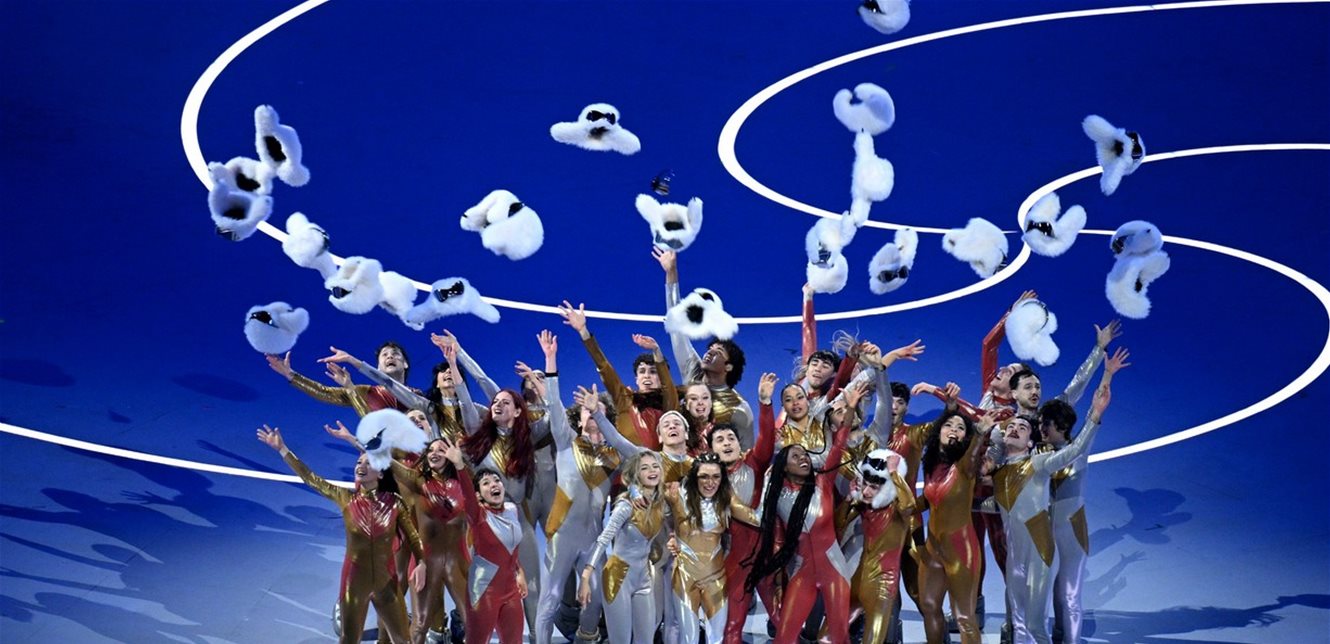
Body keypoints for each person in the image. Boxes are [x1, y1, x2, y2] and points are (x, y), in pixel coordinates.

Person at [987, 349, 1122, 644]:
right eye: (1028, 386)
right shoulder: (1010, 431)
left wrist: (1101, 361)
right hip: (1032, 523)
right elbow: (995, 466)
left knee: (1064, 595)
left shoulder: (1052, 424)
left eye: (1038, 386)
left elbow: (1078, 389)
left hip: (1063, 525)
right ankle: (1017, 633)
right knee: (1020, 587)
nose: (1035, 391)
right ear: (1013, 393)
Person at [257, 425, 425, 644]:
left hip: (387, 583)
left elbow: (413, 537)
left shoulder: (395, 503)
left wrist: (422, 562)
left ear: (381, 472)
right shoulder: (345, 498)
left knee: (403, 641)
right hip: (355, 581)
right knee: (349, 639)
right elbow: (311, 478)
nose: (361, 466)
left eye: (368, 463)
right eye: (358, 462)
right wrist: (283, 450)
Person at [743, 380, 866, 643]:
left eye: (805, 456)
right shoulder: (775, 494)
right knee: (784, 638)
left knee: (840, 638)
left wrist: (851, 408)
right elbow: (763, 525)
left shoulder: (824, 482)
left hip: (835, 574)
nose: (804, 459)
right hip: (802, 575)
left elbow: (838, 445)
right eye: (796, 456)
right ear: (783, 466)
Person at [532, 335, 622, 644]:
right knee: (551, 597)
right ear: (580, 417)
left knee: (594, 601)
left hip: (593, 539)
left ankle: (586, 639)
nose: (592, 414)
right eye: (586, 410)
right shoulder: (566, 440)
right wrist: (550, 360)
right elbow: (554, 404)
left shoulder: (615, 455)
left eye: (598, 411)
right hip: (561, 535)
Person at [1046, 348, 1130, 644]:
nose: (1040, 429)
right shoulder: (1036, 452)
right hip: (1042, 528)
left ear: (1060, 428)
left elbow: (1096, 408)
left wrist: (1107, 374)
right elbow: (1074, 388)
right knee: (1047, 590)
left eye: (1046, 425)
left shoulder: (1078, 447)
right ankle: (1057, 634)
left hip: (1072, 529)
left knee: (1068, 593)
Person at [916, 384, 994, 644]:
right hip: (932, 550)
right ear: (938, 431)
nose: (954, 430)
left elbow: (972, 454)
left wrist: (979, 433)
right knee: (929, 607)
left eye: (961, 428)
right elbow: (930, 499)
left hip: (962, 552)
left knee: (964, 618)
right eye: (949, 425)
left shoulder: (965, 467)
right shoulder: (931, 465)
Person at [656, 248, 753, 447]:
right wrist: (671, 274)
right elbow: (677, 327)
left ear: (728, 367)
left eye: (718, 352)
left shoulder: (739, 408)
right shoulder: (693, 370)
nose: (709, 353)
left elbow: (746, 452)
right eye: (710, 349)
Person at [437, 437, 527, 644]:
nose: (493, 484)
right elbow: (468, 495)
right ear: (479, 495)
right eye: (486, 483)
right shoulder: (478, 516)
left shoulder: (512, 510)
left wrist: (519, 572)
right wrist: (459, 466)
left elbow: (511, 549)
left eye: (496, 481)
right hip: (484, 591)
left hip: (511, 591)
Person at [559, 300, 679, 449]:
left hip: (661, 463)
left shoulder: (669, 406)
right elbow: (604, 367)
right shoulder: (624, 399)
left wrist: (656, 351)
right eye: (642, 371)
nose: (647, 376)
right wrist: (584, 332)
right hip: (627, 462)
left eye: (653, 372)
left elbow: (668, 387)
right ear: (636, 379)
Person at [714, 374, 779, 644]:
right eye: (720, 440)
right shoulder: (708, 480)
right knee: (732, 628)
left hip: (765, 557)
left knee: (784, 620)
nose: (727, 442)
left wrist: (765, 403)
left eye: (731, 438)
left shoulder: (753, 463)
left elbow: (766, 440)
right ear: (712, 449)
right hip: (735, 562)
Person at [578, 451, 668, 643]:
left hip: (643, 578)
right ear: (636, 475)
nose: (652, 471)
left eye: (655, 466)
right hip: (618, 577)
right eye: (645, 468)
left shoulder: (660, 503)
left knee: (646, 639)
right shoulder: (626, 505)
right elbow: (603, 539)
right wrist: (586, 576)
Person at [841, 448, 917, 644]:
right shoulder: (863, 506)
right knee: (826, 637)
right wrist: (849, 499)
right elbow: (836, 526)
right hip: (858, 580)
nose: (866, 491)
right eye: (865, 484)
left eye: (873, 487)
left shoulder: (898, 511)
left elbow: (909, 505)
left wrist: (894, 474)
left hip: (882, 584)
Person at [664, 453, 740, 643]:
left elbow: (756, 517)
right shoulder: (676, 493)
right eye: (704, 476)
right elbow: (647, 485)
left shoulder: (726, 499)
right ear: (694, 477)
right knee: (688, 638)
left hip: (716, 577)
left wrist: (770, 485)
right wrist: (634, 490)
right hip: (684, 577)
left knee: (716, 638)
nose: (710, 482)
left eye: (716, 477)